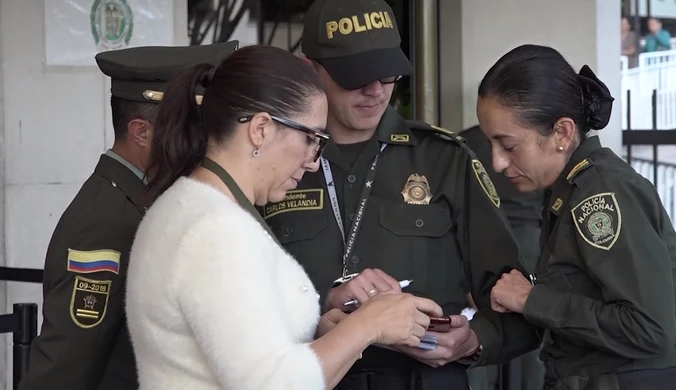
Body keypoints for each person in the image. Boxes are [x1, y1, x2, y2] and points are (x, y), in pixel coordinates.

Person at [124, 44, 444, 390]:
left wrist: (327, 336)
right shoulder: (217, 228)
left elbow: (242, 354)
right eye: (312, 138)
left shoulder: (192, 206)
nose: (314, 161)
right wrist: (368, 324)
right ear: (260, 129)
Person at [260, 0, 541, 388]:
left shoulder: (445, 160)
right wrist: (321, 306)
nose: (375, 90)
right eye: (354, 75)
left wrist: (474, 341)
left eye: (388, 74)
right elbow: (241, 304)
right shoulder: (273, 166)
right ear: (312, 70)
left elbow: (515, 296)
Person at [18, 41, 238, 390]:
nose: (202, 140)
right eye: (190, 127)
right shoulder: (107, 222)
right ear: (141, 132)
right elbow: (65, 366)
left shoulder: (146, 200)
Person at [480, 44, 676, 389]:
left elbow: (650, 329)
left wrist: (531, 299)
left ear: (562, 133)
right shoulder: (566, 190)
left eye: (508, 146)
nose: (497, 162)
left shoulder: (600, 194)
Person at [462, 125, 545, 390]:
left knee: (481, 327)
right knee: (535, 331)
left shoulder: (466, 141)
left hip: (482, 240)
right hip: (532, 239)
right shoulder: (535, 136)